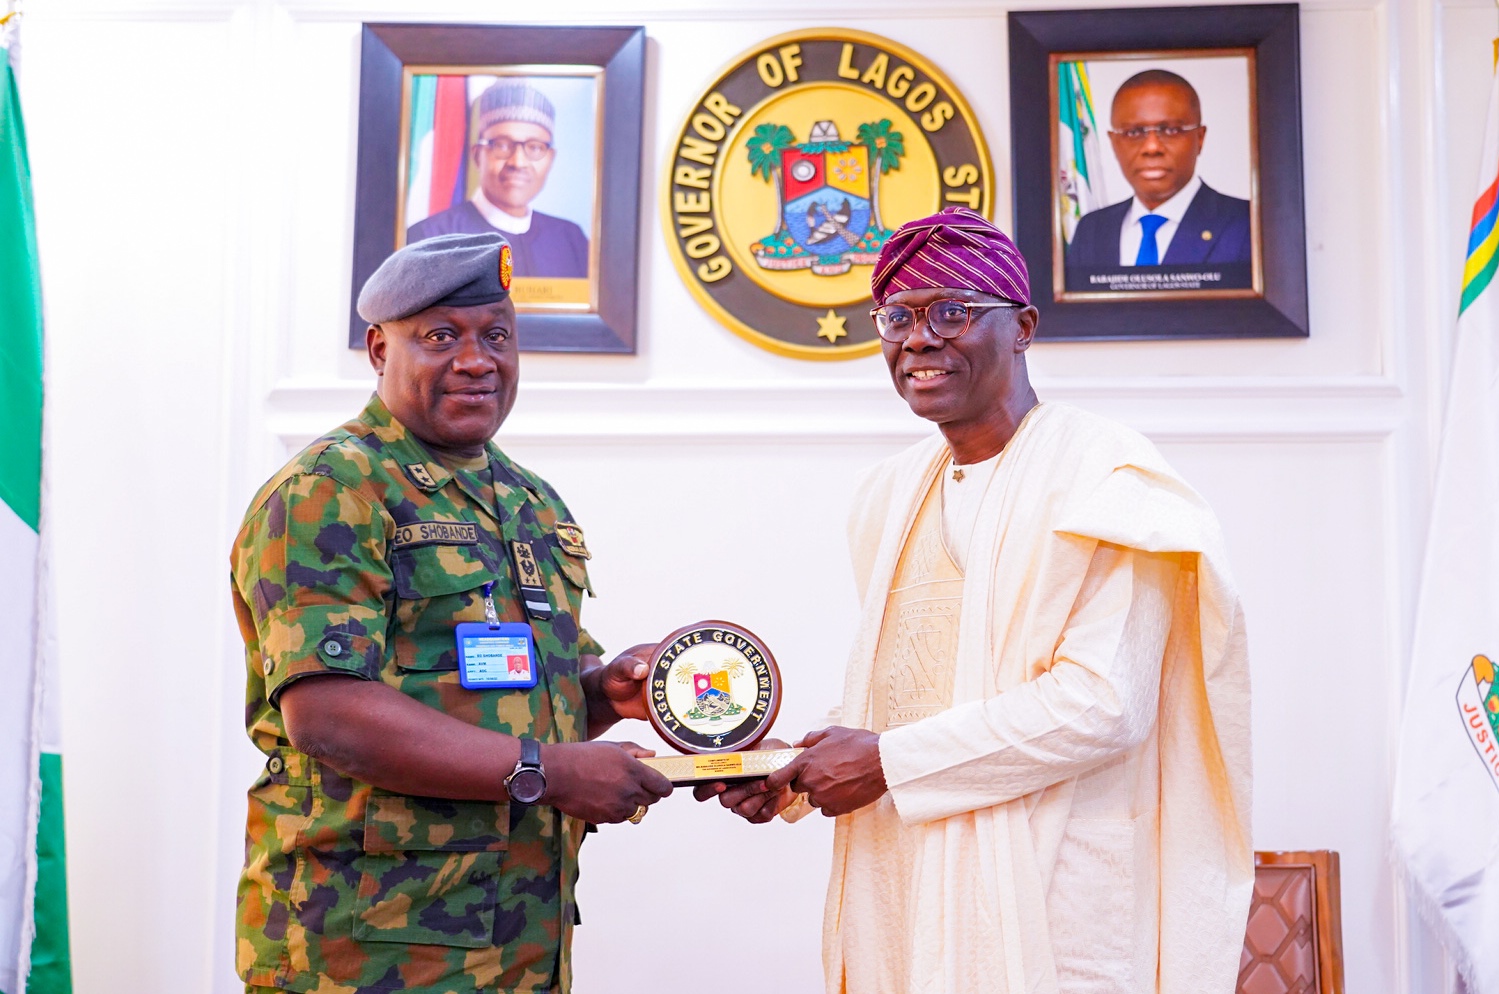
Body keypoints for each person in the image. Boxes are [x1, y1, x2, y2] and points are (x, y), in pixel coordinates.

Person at [701, 208, 1253, 993]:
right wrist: (794, 768)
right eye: (896, 317)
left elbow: (1103, 704)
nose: (918, 339)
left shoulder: (1108, 477)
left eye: (951, 312)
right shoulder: (887, 492)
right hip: (909, 879)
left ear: (1022, 326)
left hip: (1050, 890)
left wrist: (886, 762)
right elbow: (916, 684)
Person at [231, 231, 671, 993]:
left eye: (496, 336)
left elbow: (518, 698)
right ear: (377, 349)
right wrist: (549, 770)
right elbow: (329, 715)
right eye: (440, 336)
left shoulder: (528, 500)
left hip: (514, 940)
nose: (476, 360)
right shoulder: (332, 488)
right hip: (366, 950)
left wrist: (606, 693)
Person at [1067, 69, 1251, 269]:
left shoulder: (1249, 224)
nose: (1151, 147)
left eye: (1170, 130)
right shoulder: (1092, 230)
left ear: (1200, 138)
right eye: (1134, 132)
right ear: (1114, 142)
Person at [406, 80, 590, 278]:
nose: (518, 162)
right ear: (478, 156)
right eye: (502, 145)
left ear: (550, 159)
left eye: (535, 147)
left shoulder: (571, 239)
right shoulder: (429, 238)